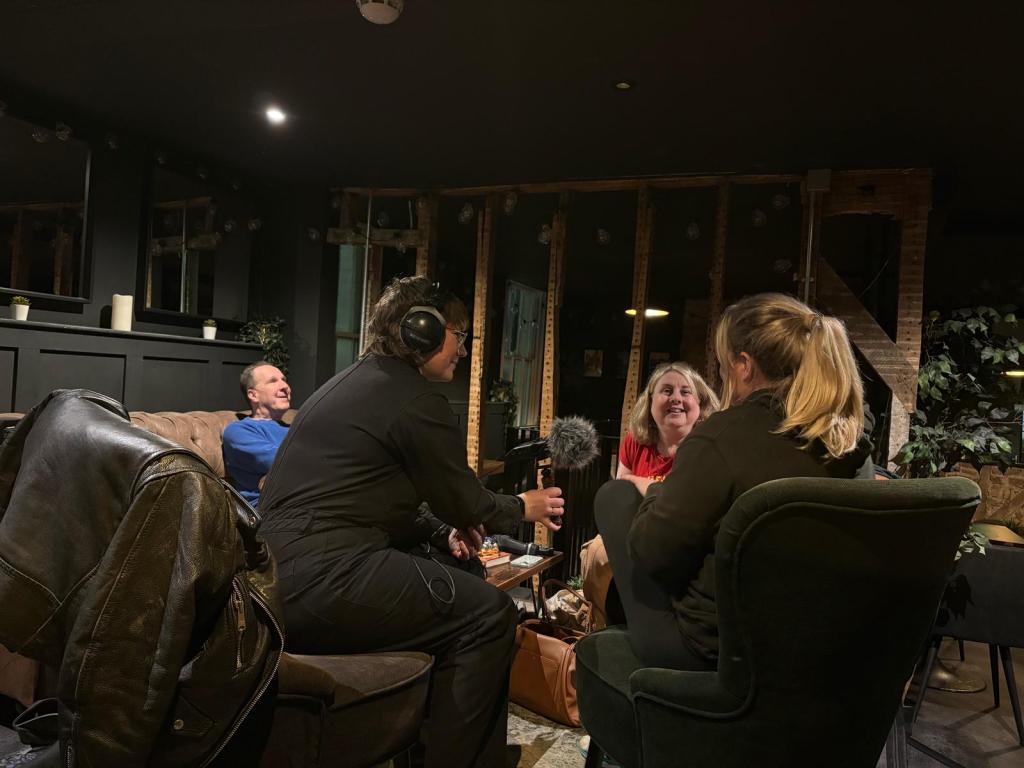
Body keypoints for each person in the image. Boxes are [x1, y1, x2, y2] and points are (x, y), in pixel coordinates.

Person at [258, 276, 565, 768]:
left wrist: (443, 530)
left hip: (282, 578)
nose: (462, 349)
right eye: (459, 335)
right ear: (422, 329)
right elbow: (466, 500)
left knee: (464, 577)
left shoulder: (354, 383)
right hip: (324, 579)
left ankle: (444, 749)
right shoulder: (413, 399)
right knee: (489, 615)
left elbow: (373, 499)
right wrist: (524, 505)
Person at [596, 292, 873, 670]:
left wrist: (657, 490)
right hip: (814, 641)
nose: (722, 374)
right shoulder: (851, 444)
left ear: (744, 365)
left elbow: (652, 555)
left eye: (723, 363)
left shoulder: (719, 437)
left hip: (714, 650)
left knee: (613, 497)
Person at [616, 361, 720, 496]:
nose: (676, 398)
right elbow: (619, 494)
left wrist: (643, 485)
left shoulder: (710, 449)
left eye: (685, 392)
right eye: (667, 391)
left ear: (701, 402)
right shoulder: (635, 441)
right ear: (650, 400)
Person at [222, 360, 292, 505]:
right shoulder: (238, 431)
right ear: (253, 395)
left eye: (284, 380)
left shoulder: (295, 427)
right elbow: (286, 463)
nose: (285, 386)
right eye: (273, 381)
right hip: (275, 508)